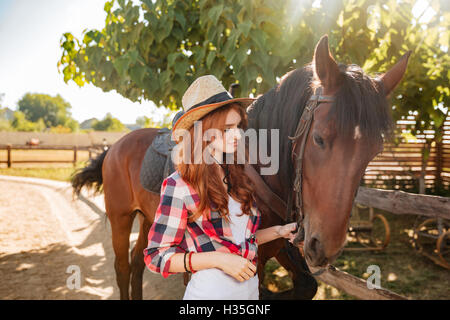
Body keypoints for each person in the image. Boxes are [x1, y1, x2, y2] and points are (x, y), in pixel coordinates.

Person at [143, 75, 297, 300]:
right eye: (226, 129)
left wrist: (278, 232)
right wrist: (219, 260)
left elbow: (240, 242)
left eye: (237, 126)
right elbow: (157, 256)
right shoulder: (180, 185)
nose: (237, 135)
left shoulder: (236, 177)